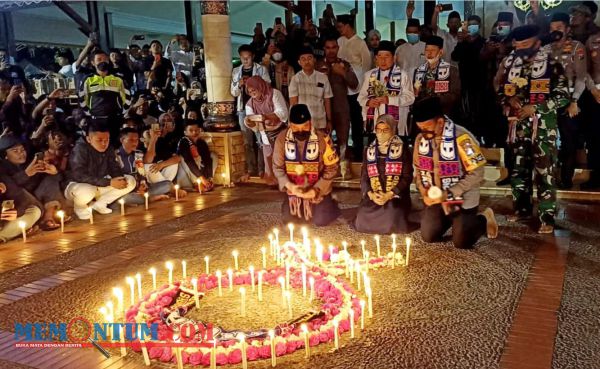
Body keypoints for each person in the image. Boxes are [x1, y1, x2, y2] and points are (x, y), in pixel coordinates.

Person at [497, 25, 570, 234]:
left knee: (544, 171)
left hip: (543, 128)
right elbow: (501, 89)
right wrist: (509, 99)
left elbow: (563, 96)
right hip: (518, 126)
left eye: (525, 45)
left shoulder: (552, 65)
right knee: (519, 168)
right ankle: (521, 209)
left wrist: (535, 108)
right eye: (517, 45)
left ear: (537, 43)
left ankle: (546, 217)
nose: (520, 49)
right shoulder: (512, 65)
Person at [412, 97, 498, 249]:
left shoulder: (461, 137)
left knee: (462, 242)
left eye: (427, 128)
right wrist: (423, 190)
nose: (423, 133)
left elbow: (477, 173)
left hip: (462, 197)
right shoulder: (421, 139)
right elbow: (419, 170)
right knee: (428, 236)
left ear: (439, 122)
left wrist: (450, 193)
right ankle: (450, 219)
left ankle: (484, 218)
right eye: (421, 128)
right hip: (438, 198)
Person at [272, 104, 340, 226]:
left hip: (318, 190)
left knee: (321, 220)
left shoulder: (322, 139)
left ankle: (331, 204)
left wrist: (316, 190)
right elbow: (277, 167)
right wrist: (289, 186)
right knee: (290, 221)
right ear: (290, 125)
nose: (301, 131)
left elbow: (332, 167)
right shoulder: (282, 139)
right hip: (294, 191)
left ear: (310, 122)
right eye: (296, 128)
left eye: (305, 126)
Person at [64, 121, 136, 220]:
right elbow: (79, 175)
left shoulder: (109, 148)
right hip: (77, 186)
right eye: (99, 140)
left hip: (99, 184)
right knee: (87, 191)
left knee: (130, 181)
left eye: (107, 140)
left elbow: (114, 167)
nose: (104, 143)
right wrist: (109, 182)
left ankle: (100, 203)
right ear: (89, 139)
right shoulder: (79, 149)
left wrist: (119, 179)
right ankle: (80, 207)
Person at [354, 114, 413, 234]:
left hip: (395, 196)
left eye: (385, 130)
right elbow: (364, 176)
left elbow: (407, 177)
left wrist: (389, 194)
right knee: (362, 216)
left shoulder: (402, 149)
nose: (381, 133)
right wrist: (371, 194)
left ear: (393, 130)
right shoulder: (369, 150)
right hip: (375, 194)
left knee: (392, 214)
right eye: (378, 130)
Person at [548, 12, 588, 189]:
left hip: (569, 101)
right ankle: (549, 176)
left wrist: (575, 101)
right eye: (552, 28)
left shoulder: (576, 47)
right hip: (547, 102)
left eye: (559, 28)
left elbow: (581, 77)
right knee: (546, 141)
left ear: (567, 28)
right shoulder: (545, 49)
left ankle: (566, 178)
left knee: (568, 140)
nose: (555, 31)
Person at [0, 134, 68, 231]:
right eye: (15, 151)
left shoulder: (30, 162)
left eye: (22, 150)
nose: (21, 153)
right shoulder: (2, 168)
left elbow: (51, 181)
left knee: (50, 180)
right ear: (5, 155)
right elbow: (10, 189)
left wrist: (54, 172)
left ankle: (48, 218)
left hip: (37, 197)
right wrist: (26, 174)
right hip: (20, 202)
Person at [317, 36, 359, 179]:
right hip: (321, 109)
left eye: (333, 47)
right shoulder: (317, 65)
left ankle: (344, 169)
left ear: (338, 48)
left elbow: (355, 83)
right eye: (328, 48)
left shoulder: (344, 64)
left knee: (343, 141)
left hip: (341, 107)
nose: (331, 51)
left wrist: (342, 72)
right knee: (324, 140)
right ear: (324, 49)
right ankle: (327, 169)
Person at [358, 40, 415, 140]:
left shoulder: (403, 75)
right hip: (374, 123)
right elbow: (361, 98)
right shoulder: (369, 75)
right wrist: (368, 102)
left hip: (396, 123)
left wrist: (389, 100)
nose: (383, 60)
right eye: (379, 57)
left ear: (394, 58)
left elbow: (410, 98)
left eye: (386, 56)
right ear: (375, 59)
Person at [337, 14, 373, 162]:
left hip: (357, 87)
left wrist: (363, 87)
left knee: (357, 120)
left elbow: (367, 66)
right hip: (341, 86)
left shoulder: (360, 43)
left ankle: (358, 152)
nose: (339, 29)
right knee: (342, 120)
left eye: (340, 26)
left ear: (348, 26)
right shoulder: (339, 41)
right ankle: (343, 151)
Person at [231, 44, 270, 179]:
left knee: (260, 139)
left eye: (248, 58)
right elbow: (233, 92)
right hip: (243, 109)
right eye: (243, 58)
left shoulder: (261, 69)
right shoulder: (236, 71)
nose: (245, 61)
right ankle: (251, 168)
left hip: (258, 108)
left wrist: (255, 82)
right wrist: (239, 84)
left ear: (253, 57)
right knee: (247, 141)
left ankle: (262, 168)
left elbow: (267, 86)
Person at [243, 76, 288, 186]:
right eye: (250, 91)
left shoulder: (274, 94)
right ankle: (274, 182)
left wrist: (267, 117)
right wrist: (249, 122)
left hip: (280, 131)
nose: (252, 93)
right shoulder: (249, 104)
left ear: (260, 87)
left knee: (282, 156)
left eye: (254, 89)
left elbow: (283, 113)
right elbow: (251, 121)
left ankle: (286, 182)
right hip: (265, 134)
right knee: (269, 157)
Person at [79, 49, 131, 141]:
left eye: (105, 59)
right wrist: (89, 114)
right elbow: (82, 99)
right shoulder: (87, 80)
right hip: (96, 120)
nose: (103, 61)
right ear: (93, 63)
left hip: (114, 120)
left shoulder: (119, 79)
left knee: (114, 145)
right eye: (99, 59)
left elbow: (127, 97)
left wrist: (122, 113)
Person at [116, 127, 171, 206]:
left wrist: (142, 185)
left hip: (141, 190)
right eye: (131, 140)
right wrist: (136, 189)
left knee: (168, 184)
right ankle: (149, 199)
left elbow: (141, 171)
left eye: (136, 140)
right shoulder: (116, 156)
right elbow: (119, 179)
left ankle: (144, 199)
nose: (135, 143)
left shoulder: (138, 154)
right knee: (124, 198)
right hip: (126, 191)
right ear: (122, 140)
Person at [451, 15, 486, 137]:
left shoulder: (483, 42)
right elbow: (454, 56)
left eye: (474, 24)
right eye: (469, 24)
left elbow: (481, 59)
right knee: (465, 113)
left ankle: (480, 137)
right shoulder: (463, 43)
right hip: (464, 83)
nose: (472, 27)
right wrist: (461, 42)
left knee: (480, 113)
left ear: (479, 26)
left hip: (480, 84)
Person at [413, 36, 461, 122]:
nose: (429, 53)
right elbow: (415, 94)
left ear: (441, 52)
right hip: (423, 113)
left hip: (444, 112)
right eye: (427, 50)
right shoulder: (419, 70)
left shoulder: (451, 70)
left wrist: (436, 101)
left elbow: (455, 94)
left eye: (433, 50)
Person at [289, 47, 333, 132]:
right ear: (299, 62)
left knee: (322, 144)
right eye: (303, 59)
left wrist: (329, 121)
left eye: (309, 58)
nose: (307, 61)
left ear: (314, 60)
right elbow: (293, 103)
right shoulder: (295, 79)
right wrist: (293, 122)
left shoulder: (323, 78)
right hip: (303, 122)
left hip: (320, 121)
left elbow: (327, 100)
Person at [142, 113, 183, 195]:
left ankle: (165, 189)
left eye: (168, 121)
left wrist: (161, 164)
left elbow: (178, 158)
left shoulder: (169, 139)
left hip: (162, 171)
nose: (165, 124)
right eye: (163, 121)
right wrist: (153, 139)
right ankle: (168, 188)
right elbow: (147, 161)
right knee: (148, 167)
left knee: (174, 163)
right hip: (152, 174)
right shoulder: (149, 137)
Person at [582, 10, 600, 189]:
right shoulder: (592, 40)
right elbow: (583, 70)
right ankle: (596, 177)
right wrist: (593, 90)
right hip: (597, 95)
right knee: (595, 138)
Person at [0, 174, 42, 243]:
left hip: (4, 223)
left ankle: (5, 235)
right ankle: (9, 235)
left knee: (35, 211)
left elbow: (26, 200)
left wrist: (16, 212)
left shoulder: (3, 179)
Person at [176, 120, 214, 192]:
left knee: (213, 156)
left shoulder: (201, 142)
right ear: (185, 132)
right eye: (191, 130)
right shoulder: (183, 142)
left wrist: (209, 177)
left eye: (196, 130)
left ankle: (208, 182)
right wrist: (202, 178)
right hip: (188, 177)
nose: (194, 132)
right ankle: (197, 184)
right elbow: (189, 161)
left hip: (201, 174)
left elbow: (207, 159)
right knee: (182, 158)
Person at [395, 5, 426, 78]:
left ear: (419, 32)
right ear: (406, 32)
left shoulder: (426, 47)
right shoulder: (400, 49)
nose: (412, 34)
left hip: (421, 82)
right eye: (409, 32)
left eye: (415, 32)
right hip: (403, 82)